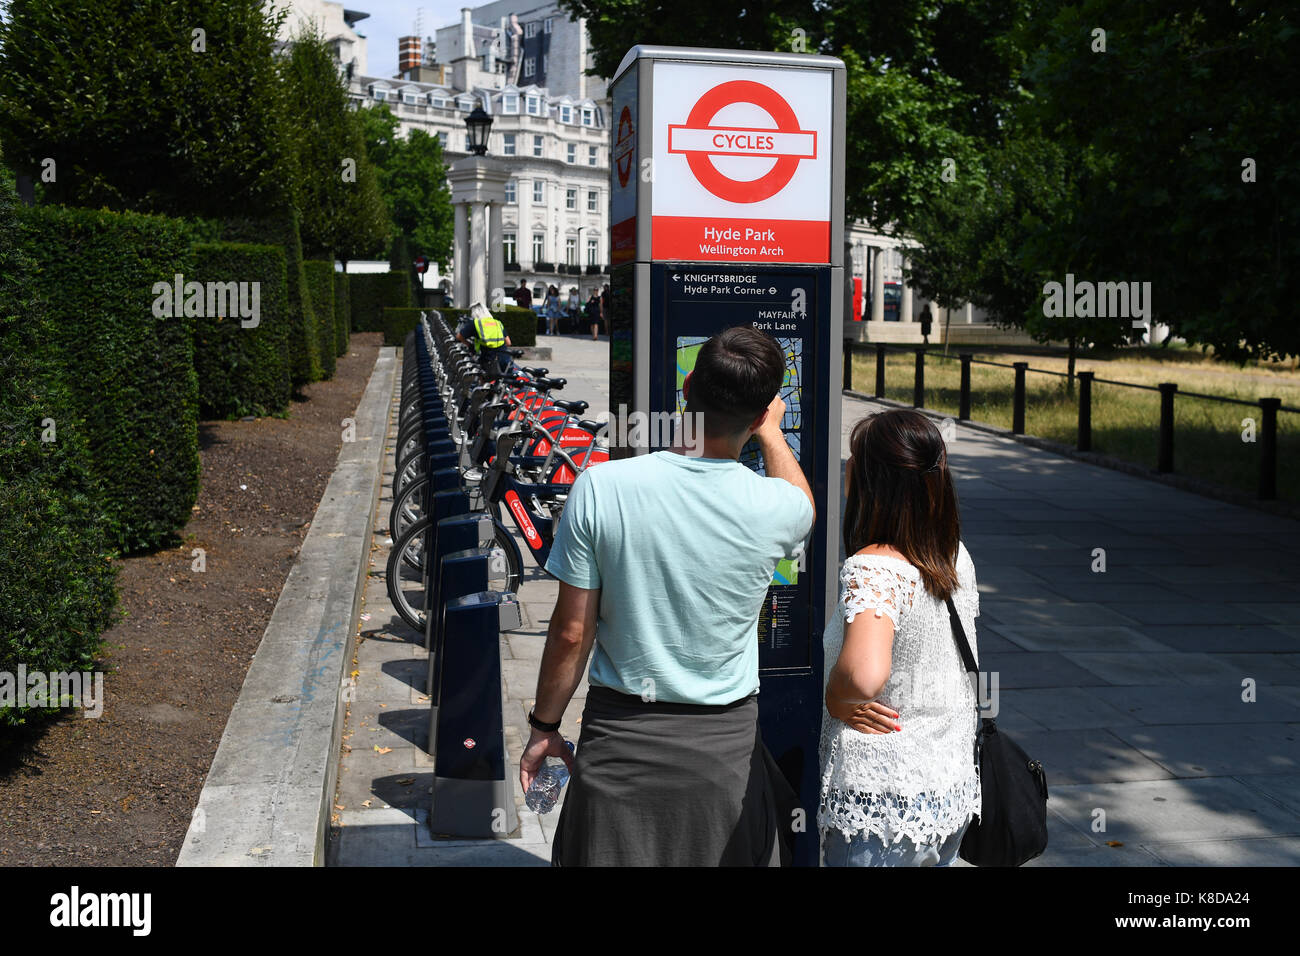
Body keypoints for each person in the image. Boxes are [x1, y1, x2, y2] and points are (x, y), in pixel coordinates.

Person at [522, 327, 815, 866]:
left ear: (686, 388)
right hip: (724, 757)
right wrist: (771, 434)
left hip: (620, 745)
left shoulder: (602, 487)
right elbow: (802, 498)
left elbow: (571, 632)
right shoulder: (778, 508)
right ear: (758, 415)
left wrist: (545, 727)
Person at [818, 408, 980, 867]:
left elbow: (864, 677)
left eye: (853, 460)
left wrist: (835, 695)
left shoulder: (874, 568)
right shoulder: (951, 554)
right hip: (946, 786)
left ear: (874, 481)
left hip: (883, 803)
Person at [454, 302, 513, 379]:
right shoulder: (497, 323)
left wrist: (469, 345)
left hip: (488, 359)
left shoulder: (475, 323)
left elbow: (459, 337)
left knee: (484, 385)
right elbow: (508, 343)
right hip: (504, 359)